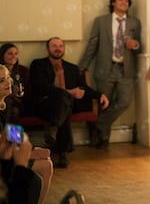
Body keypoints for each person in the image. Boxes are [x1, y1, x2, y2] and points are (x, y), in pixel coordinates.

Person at [29, 38, 109, 168]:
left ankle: (56, 135)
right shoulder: (38, 65)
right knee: (64, 101)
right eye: (54, 46)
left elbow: (84, 87)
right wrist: (70, 92)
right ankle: (62, 153)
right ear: (48, 49)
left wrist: (100, 95)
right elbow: (41, 87)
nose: (58, 48)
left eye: (60, 46)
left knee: (64, 103)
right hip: (45, 104)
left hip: (65, 105)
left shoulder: (71, 68)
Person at [79, 0, 142, 149]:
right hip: (105, 68)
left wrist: (135, 45)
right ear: (113, 3)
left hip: (126, 69)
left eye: (126, 0)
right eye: (120, 0)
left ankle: (98, 124)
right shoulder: (101, 21)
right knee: (103, 103)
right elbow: (92, 44)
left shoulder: (135, 22)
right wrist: (82, 66)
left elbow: (140, 45)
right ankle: (103, 138)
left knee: (124, 102)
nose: (124, 2)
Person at [0, 64, 47, 204]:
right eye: (1, 81)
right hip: (5, 163)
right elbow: (4, 147)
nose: (8, 82)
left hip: (9, 154)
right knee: (45, 166)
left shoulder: (5, 106)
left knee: (46, 159)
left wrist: (31, 148)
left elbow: (16, 134)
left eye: (8, 78)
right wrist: (30, 153)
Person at [0, 43, 31, 119]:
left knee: (15, 109)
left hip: (19, 101)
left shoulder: (23, 70)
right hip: (3, 99)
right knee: (9, 104)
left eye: (16, 53)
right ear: (2, 55)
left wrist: (20, 92)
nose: (13, 56)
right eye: (10, 54)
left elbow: (28, 91)